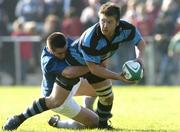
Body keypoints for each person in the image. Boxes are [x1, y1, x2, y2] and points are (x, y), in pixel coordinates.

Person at [51, 1, 146, 129]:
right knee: (57, 103)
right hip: (72, 71)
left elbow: (140, 42)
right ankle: (35, 117)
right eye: (102, 21)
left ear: (117, 22)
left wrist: (139, 58)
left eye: (109, 22)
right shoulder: (91, 38)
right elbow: (94, 69)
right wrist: (118, 76)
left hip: (92, 67)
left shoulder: (126, 29)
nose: (105, 25)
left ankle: (101, 124)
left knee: (105, 99)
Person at [2, 32, 99, 131]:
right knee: (94, 122)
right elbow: (70, 73)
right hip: (56, 98)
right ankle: (59, 124)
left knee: (98, 87)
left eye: (65, 51)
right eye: (60, 53)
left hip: (72, 84)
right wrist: (93, 67)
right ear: (50, 50)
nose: (64, 55)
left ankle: (89, 108)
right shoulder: (48, 60)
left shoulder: (68, 43)